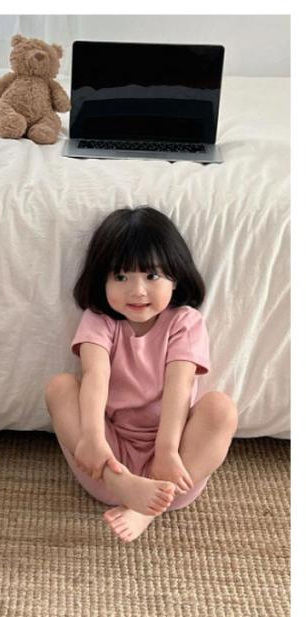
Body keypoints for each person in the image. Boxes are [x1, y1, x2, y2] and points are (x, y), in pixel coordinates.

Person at [45, 207, 238, 542]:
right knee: (60, 387)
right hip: (106, 462)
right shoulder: (99, 320)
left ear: (176, 277)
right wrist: (93, 439)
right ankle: (125, 487)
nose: (137, 291)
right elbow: (95, 377)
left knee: (221, 408)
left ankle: (148, 507)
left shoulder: (185, 321)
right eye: (121, 277)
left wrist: (167, 452)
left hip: (174, 465)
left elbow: (180, 387)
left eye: (152, 276)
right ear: (102, 279)